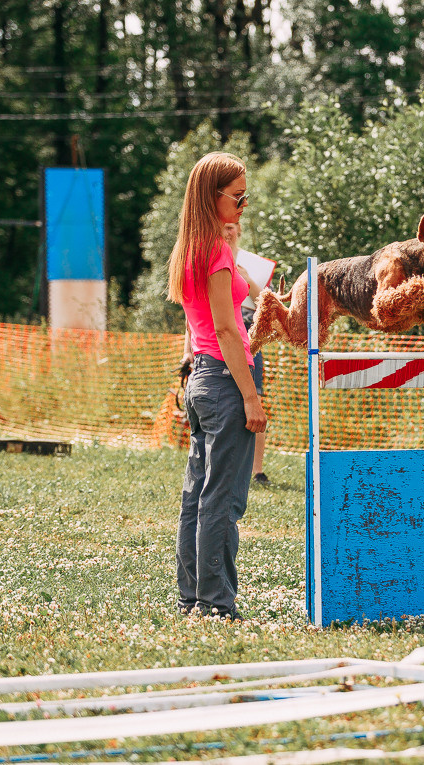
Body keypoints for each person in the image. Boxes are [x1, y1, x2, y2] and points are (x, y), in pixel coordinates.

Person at [166, 151, 266, 621]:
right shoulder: (216, 252)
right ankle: (217, 604)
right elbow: (227, 329)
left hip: (201, 380)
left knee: (197, 497)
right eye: (238, 197)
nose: (244, 206)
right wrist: (250, 395)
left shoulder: (189, 249)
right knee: (222, 501)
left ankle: (192, 598)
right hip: (225, 381)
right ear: (213, 197)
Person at [222, 221, 270, 487]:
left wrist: (247, 279)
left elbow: (267, 303)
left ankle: (257, 471)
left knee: (255, 403)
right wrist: (187, 352)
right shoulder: (211, 261)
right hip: (218, 342)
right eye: (224, 227)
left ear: (239, 230)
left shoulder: (252, 265)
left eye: (232, 227)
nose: (228, 232)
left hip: (250, 340)